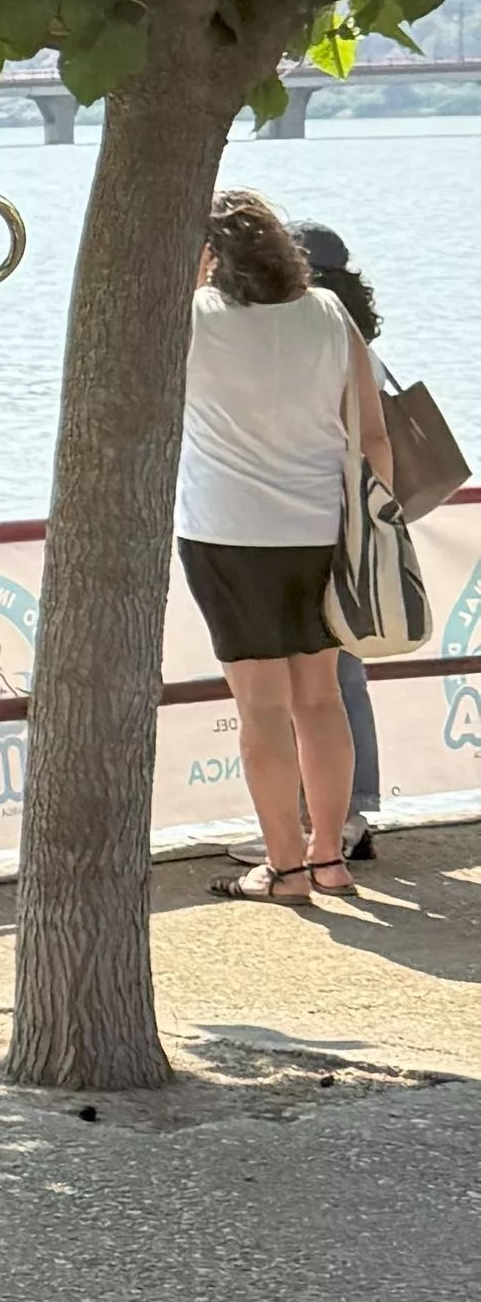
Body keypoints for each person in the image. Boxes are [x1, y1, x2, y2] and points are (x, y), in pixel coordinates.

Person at [176, 193, 382, 899]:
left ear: (209, 256)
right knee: (320, 701)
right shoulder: (330, 314)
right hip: (319, 530)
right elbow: (374, 436)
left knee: (261, 708)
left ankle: (284, 867)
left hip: (225, 535)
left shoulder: (192, 320)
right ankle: (331, 859)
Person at [296, 223, 388, 858]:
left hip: (313, 519)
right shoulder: (360, 343)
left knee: (326, 678)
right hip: (354, 517)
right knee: (341, 670)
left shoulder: (314, 339)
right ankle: (349, 815)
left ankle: (334, 819)